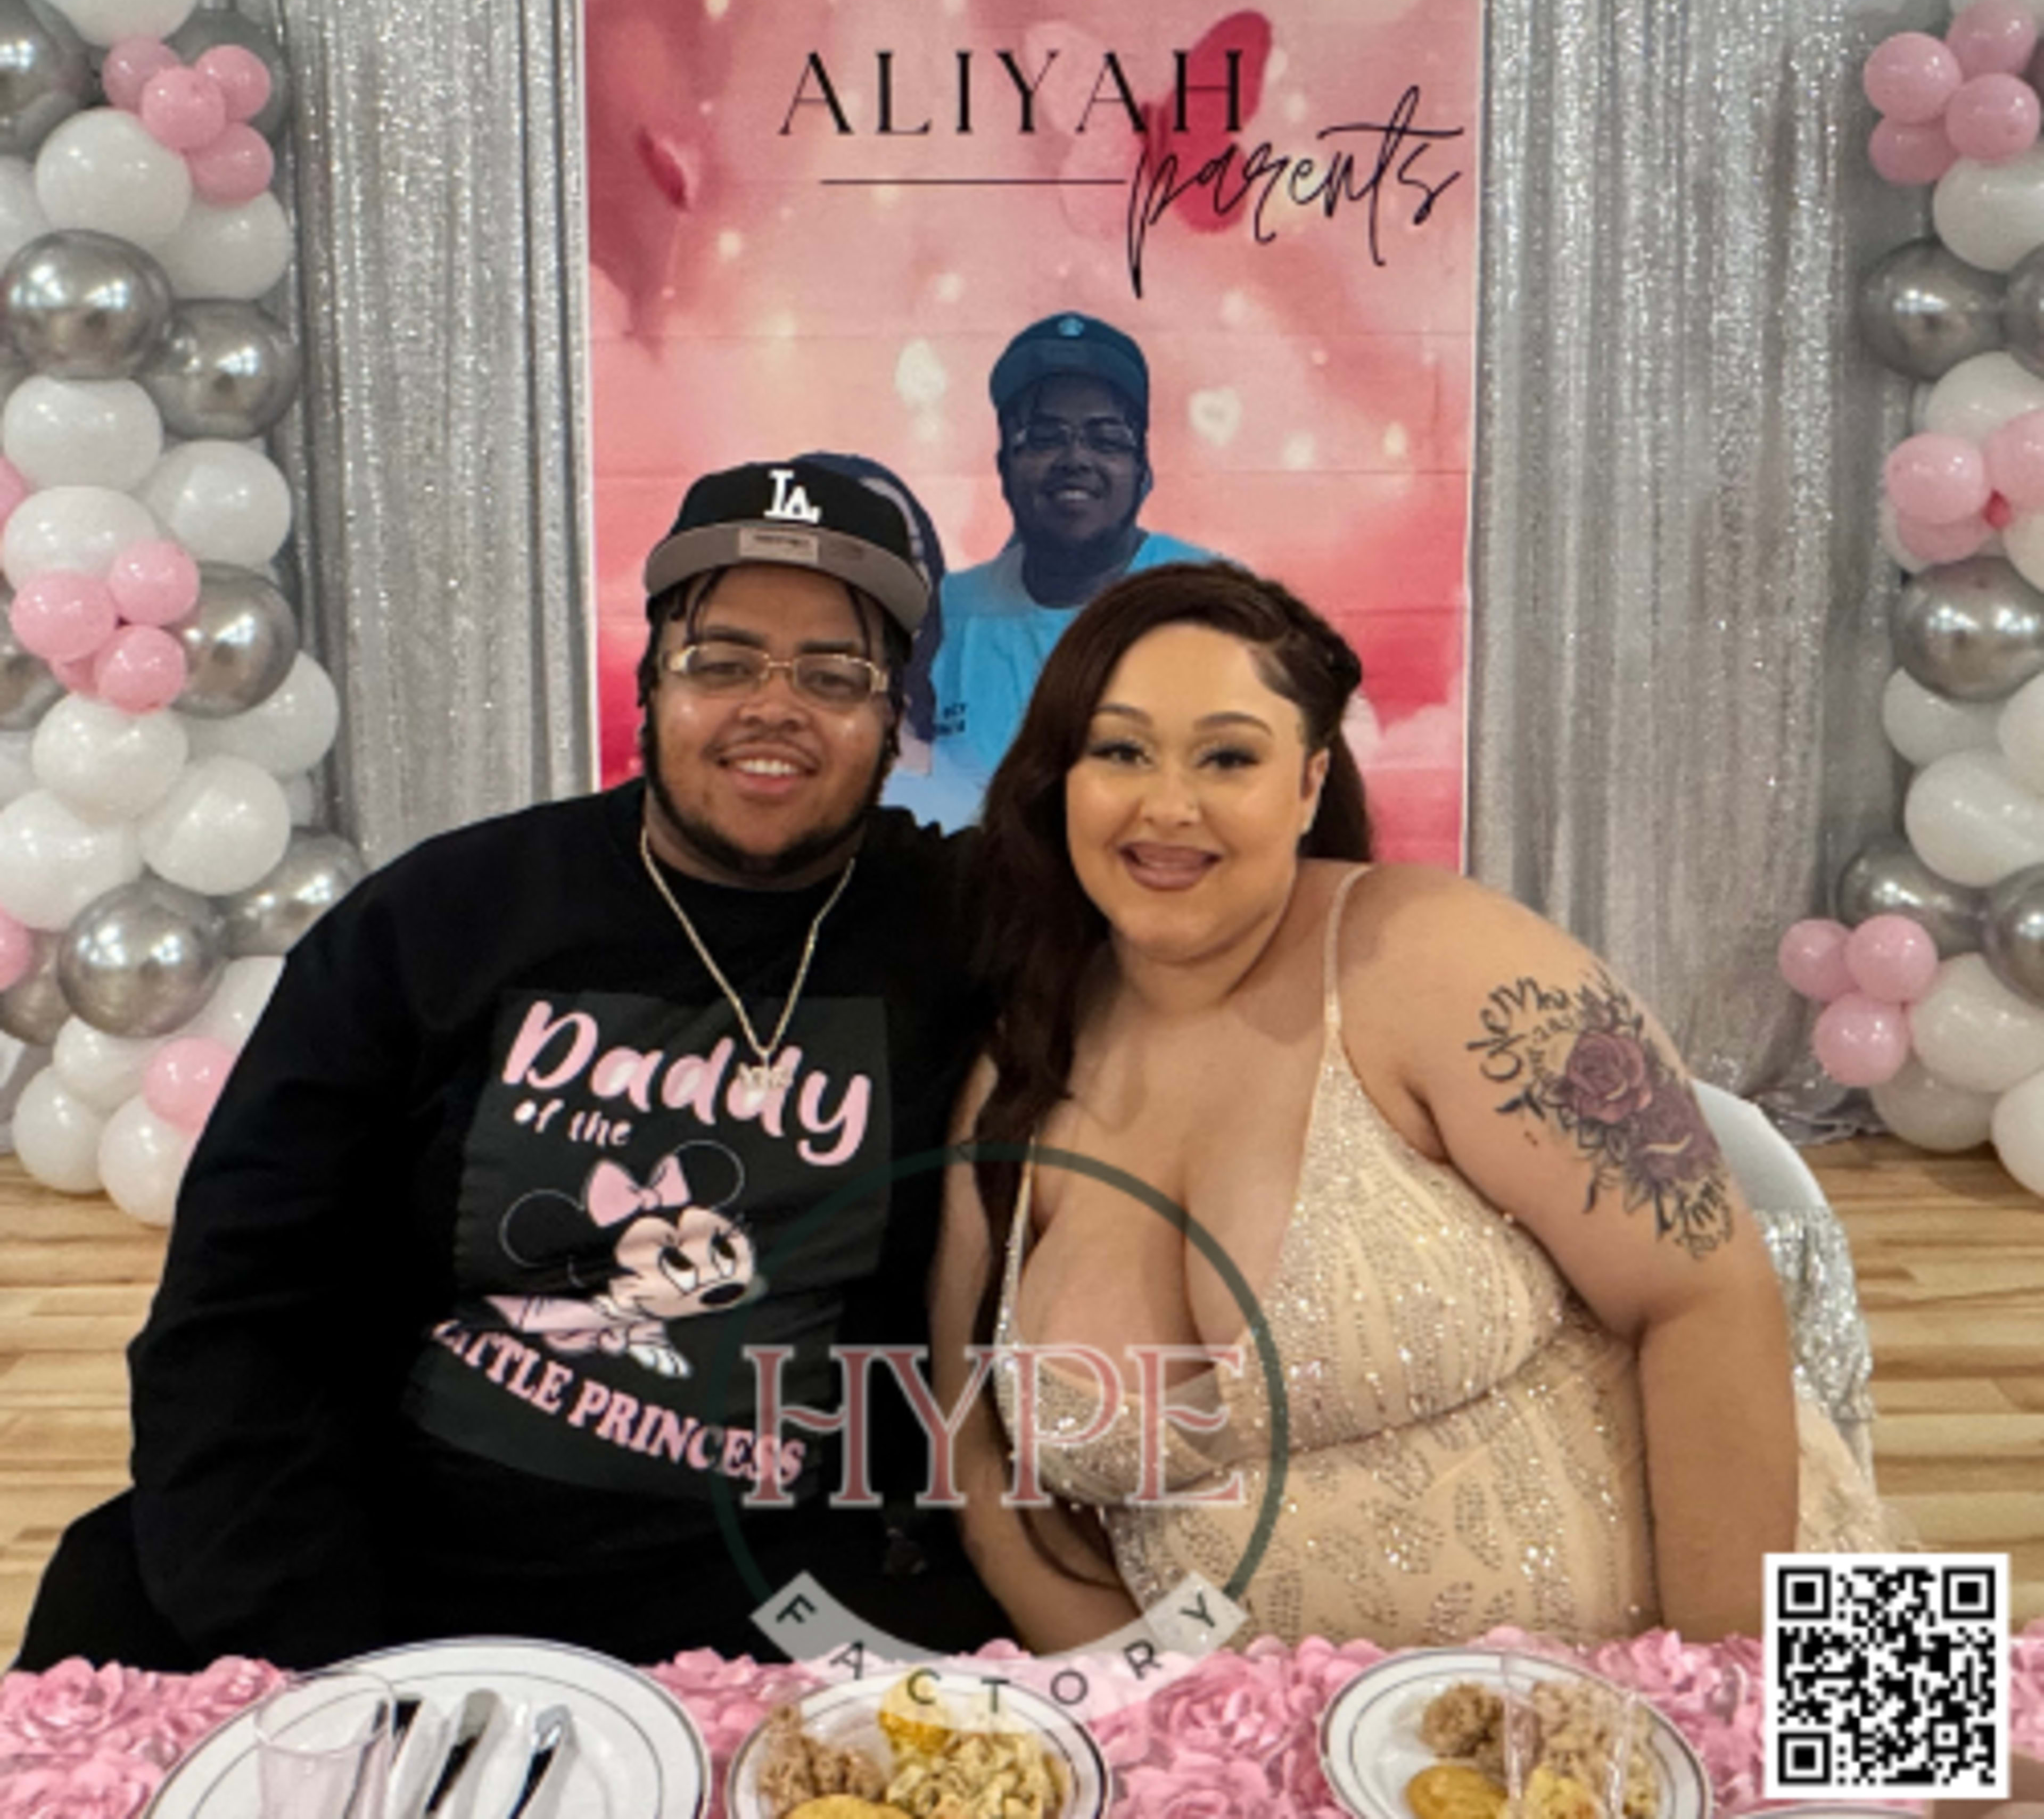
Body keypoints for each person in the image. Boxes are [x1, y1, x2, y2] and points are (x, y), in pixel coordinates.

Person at [17, 456, 1008, 1673]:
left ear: (894, 711)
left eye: (833, 674)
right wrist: (331, 1665)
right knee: (118, 1604)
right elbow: (241, 1301)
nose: (774, 706)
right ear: (651, 682)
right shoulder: (443, 918)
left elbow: (1199, 893)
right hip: (408, 1540)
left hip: (778, 1589)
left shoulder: (963, 930)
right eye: (724, 659)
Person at [931, 560, 1893, 1651]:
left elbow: (1708, 1295)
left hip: (1759, 1651)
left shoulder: (1436, 951)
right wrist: (1164, 1735)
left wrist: (1725, 1710)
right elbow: (989, 1489)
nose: (1168, 804)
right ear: (1061, 777)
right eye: (1120, 750)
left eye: (1229, 757)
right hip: (1295, 1771)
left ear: (1307, 785)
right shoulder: (1013, 1076)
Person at [896, 311, 1211, 828]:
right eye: (1044, 437)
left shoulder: (1212, 604)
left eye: (1106, 439)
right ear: (1003, 466)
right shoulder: (947, 615)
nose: (1075, 459)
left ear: (1144, 469)